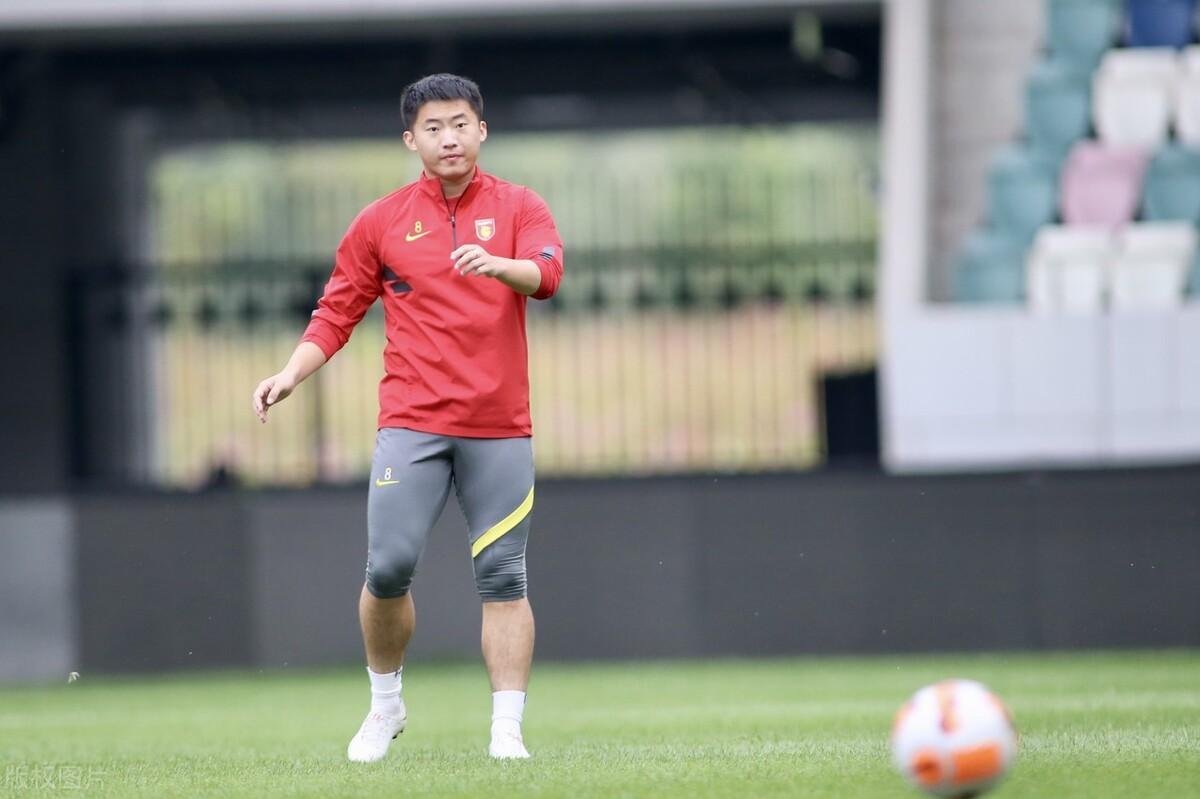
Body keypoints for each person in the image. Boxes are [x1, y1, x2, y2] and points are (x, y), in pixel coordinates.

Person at [250, 73, 564, 762]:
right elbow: (336, 312)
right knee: (388, 567)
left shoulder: (520, 206)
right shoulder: (380, 221)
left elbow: (547, 274)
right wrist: (289, 374)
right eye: (433, 127)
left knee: (504, 575)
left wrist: (499, 265)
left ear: (482, 130)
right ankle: (385, 704)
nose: (449, 138)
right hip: (412, 423)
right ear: (410, 140)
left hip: (498, 426)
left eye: (460, 124)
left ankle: (506, 729)